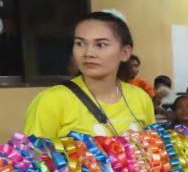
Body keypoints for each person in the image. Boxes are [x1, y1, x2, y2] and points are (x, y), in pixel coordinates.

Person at [24, 11, 155, 141]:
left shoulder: (140, 98)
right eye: (80, 44)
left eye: (100, 45)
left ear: (125, 52)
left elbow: (154, 149)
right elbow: (34, 153)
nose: (88, 53)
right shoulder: (52, 101)